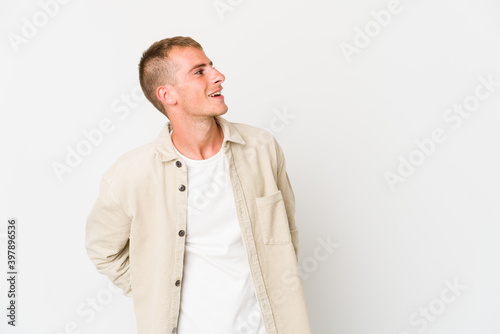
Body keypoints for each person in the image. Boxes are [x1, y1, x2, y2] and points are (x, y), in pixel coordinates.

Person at [85, 36, 312, 334]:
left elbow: (287, 233)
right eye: (199, 71)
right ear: (167, 94)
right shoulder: (130, 175)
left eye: (212, 66)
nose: (219, 76)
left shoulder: (261, 148)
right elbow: (103, 250)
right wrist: (153, 291)